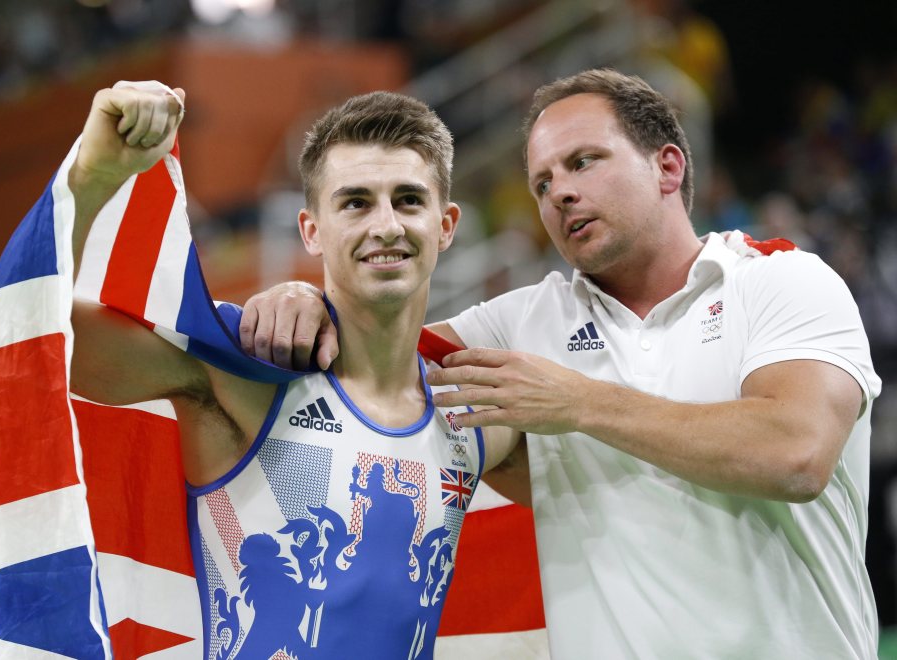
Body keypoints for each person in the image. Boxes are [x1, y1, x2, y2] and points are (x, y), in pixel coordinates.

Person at [241, 69, 881, 659]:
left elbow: (796, 454)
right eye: (542, 183)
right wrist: (302, 301)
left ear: (666, 167)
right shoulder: (523, 323)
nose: (560, 194)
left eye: (583, 162)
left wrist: (582, 403)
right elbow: (368, 349)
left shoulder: (780, 282)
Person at [65, 81, 517, 659]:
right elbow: (39, 338)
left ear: (446, 225)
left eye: (408, 199)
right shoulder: (242, 380)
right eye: (355, 202)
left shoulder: (481, 419)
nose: (386, 226)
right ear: (311, 230)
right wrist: (95, 173)